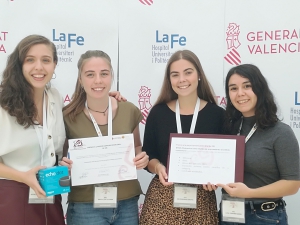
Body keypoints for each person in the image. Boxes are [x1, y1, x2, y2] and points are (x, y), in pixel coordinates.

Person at [61, 50, 149, 225]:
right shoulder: (67, 115)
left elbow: (137, 147)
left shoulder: (128, 110)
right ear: (80, 79)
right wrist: (65, 168)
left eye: (104, 74)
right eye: (90, 74)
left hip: (127, 203)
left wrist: (142, 158)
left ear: (111, 76)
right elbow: (61, 160)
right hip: (85, 206)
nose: (98, 80)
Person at [139, 50, 225, 225]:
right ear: (169, 80)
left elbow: (225, 161)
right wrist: (158, 168)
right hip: (162, 199)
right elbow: (149, 156)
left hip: (202, 201)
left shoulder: (218, 115)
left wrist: (216, 179)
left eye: (188, 72)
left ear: (199, 75)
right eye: (175, 75)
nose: (182, 80)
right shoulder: (157, 113)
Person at [217, 64, 300, 225]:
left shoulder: (280, 132)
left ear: (259, 89)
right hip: (228, 214)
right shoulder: (229, 128)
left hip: (264, 217)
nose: (240, 93)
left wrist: (250, 192)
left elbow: (293, 184)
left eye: (247, 86)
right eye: (233, 88)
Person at [0, 35, 66, 225]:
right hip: (13, 194)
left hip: (51, 193)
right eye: (30, 60)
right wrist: (23, 177)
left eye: (46, 60)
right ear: (19, 65)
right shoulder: (3, 103)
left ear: (54, 65)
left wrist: (107, 98)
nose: (39, 67)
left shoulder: (55, 97)